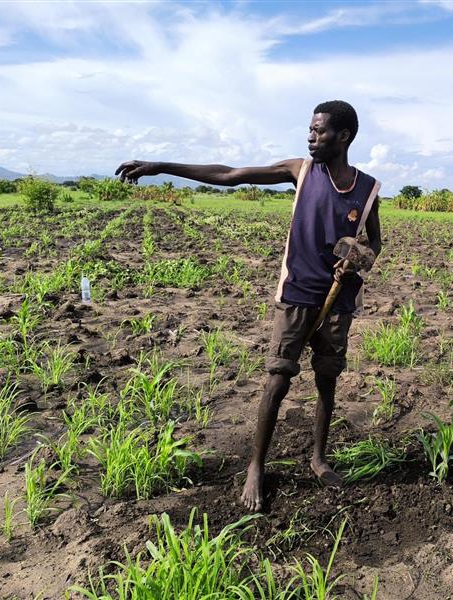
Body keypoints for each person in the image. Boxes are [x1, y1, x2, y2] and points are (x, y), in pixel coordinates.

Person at [116, 100, 382, 511]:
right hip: (297, 294)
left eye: (320, 131)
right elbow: (230, 175)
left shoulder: (367, 190)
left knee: (327, 381)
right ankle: (256, 466)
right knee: (277, 380)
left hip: (338, 301)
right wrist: (160, 166)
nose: (311, 137)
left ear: (343, 136)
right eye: (310, 130)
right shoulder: (301, 171)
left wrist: (357, 258)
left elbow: (374, 242)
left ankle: (318, 458)